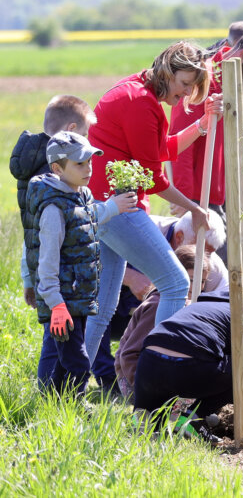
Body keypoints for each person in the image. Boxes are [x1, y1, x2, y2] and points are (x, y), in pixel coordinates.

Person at [83, 40, 220, 364]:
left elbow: (162, 151)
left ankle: (67, 387)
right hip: (119, 207)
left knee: (102, 307)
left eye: (192, 88)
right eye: (184, 84)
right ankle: (156, 379)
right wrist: (195, 208)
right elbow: (153, 177)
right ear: (167, 71)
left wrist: (201, 125)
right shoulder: (140, 103)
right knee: (175, 283)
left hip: (106, 207)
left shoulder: (136, 91)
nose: (186, 95)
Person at [25, 131, 137, 396]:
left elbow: (86, 218)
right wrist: (56, 304)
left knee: (65, 359)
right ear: (57, 168)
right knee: (78, 362)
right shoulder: (53, 210)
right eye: (79, 164)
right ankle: (76, 406)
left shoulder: (80, 195)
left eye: (89, 161)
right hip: (62, 300)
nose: (88, 169)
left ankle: (53, 402)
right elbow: (47, 262)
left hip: (78, 296)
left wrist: (112, 207)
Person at [9, 94, 95, 387]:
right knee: (70, 355)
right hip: (60, 287)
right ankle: (65, 401)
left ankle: (50, 397)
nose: (88, 169)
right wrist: (39, 285)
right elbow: (40, 243)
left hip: (64, 286)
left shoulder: (62, 181)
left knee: (57, 347)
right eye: (82, 136)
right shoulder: (54, 192)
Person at [168, 30, 243, 242]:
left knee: (233, 265)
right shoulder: (204, 78)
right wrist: (185, 201)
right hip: (199, 196)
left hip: (229, 193)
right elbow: (180, 141)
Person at [133, 282, 243, 445]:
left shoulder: (203, 305)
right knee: (241, 370)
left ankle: (142, 416)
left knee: (151, 424)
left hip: (147, 365)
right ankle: (190, 417)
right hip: (187, 368)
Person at [114, 245, 216, 402]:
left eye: (201, 282)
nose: (195, 287)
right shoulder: (157, 305)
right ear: (174, 275)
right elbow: (129, 355)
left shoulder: (189, 305)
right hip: (135, 379)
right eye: (190, 280)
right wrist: (148, 389)